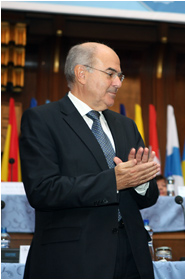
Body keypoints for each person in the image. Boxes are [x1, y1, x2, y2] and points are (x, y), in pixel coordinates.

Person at [19, 42, 160, 278]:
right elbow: (42, 191)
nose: (118, 82)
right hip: (72, 259)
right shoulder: (42, 120)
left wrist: (141, 181)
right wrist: (113, 181)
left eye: (120, 75)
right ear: (81, 74)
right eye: (110, 74)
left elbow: (149, 197)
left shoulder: (126, 125)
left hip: (132, 258)